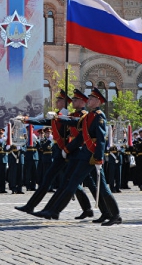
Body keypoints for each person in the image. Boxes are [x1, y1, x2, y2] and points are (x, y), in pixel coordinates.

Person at [29, 88, 122, 226]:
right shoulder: (89, 116)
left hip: (92, 155)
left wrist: (98, 158)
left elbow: (101, 139)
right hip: (86, 154)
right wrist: (57, 117)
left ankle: (115, 215)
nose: (88, 100)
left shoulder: (99, 116)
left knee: (96, 186)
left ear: (98, 101)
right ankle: (54, 211)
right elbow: (75, 125)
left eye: (91, 99)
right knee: (78, 183)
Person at [14, 89, 94, 220]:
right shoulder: (62, 115)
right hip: (62, 150)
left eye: (59, 100)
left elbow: (78, 132)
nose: (56, 102)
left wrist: (66, 148)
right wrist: (26, 119)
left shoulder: (80, 115)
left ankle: (49, 209)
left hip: (72, 150)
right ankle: (86, 209)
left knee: (69, 182)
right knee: (68, 181)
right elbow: (45, 121)